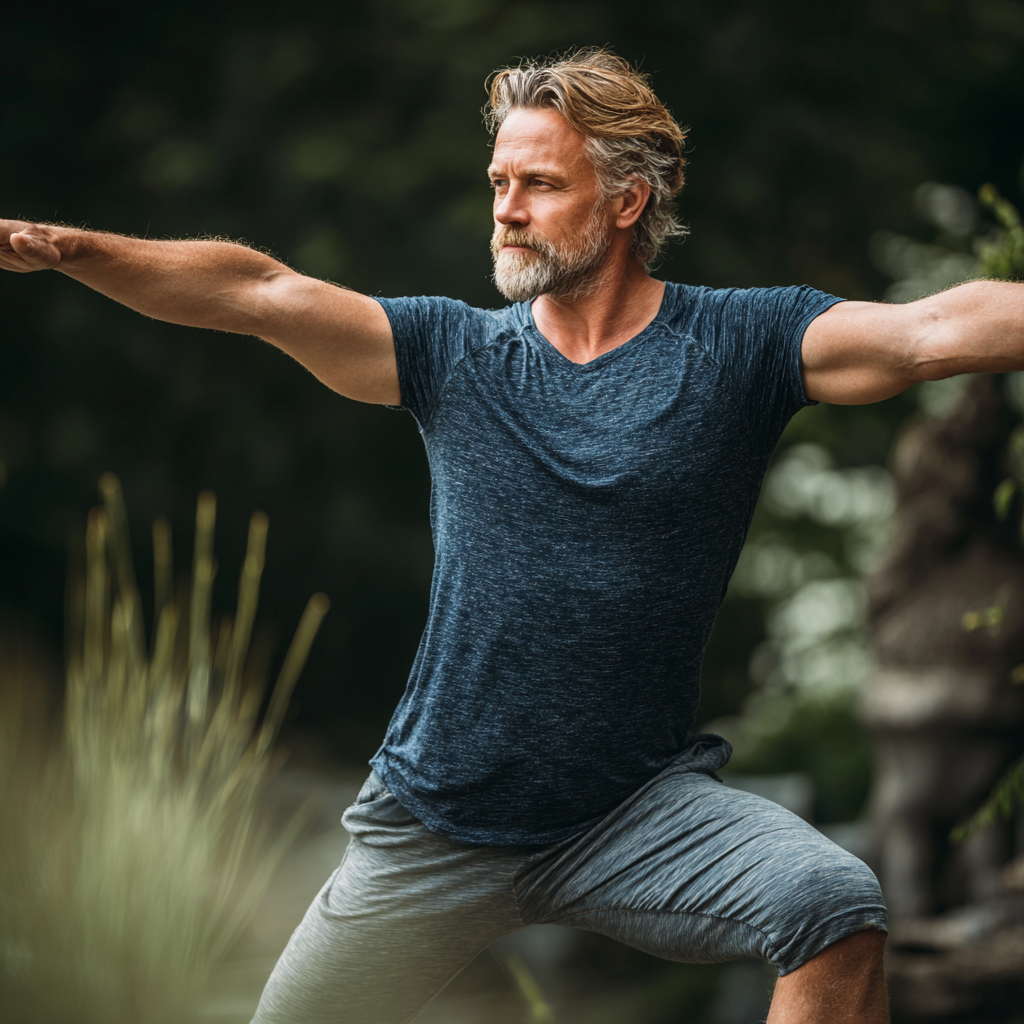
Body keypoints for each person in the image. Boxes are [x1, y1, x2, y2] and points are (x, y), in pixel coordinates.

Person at [3, 47, 1022, 1024]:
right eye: (498, 180)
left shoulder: (737, 347)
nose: (505, 208)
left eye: (537, 183)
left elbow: (931, 329)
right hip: (431, 829)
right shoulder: (455, 356)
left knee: (832, 902)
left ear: (627, 201)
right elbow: (260, 291)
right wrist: (72, 250)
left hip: (634, 813)